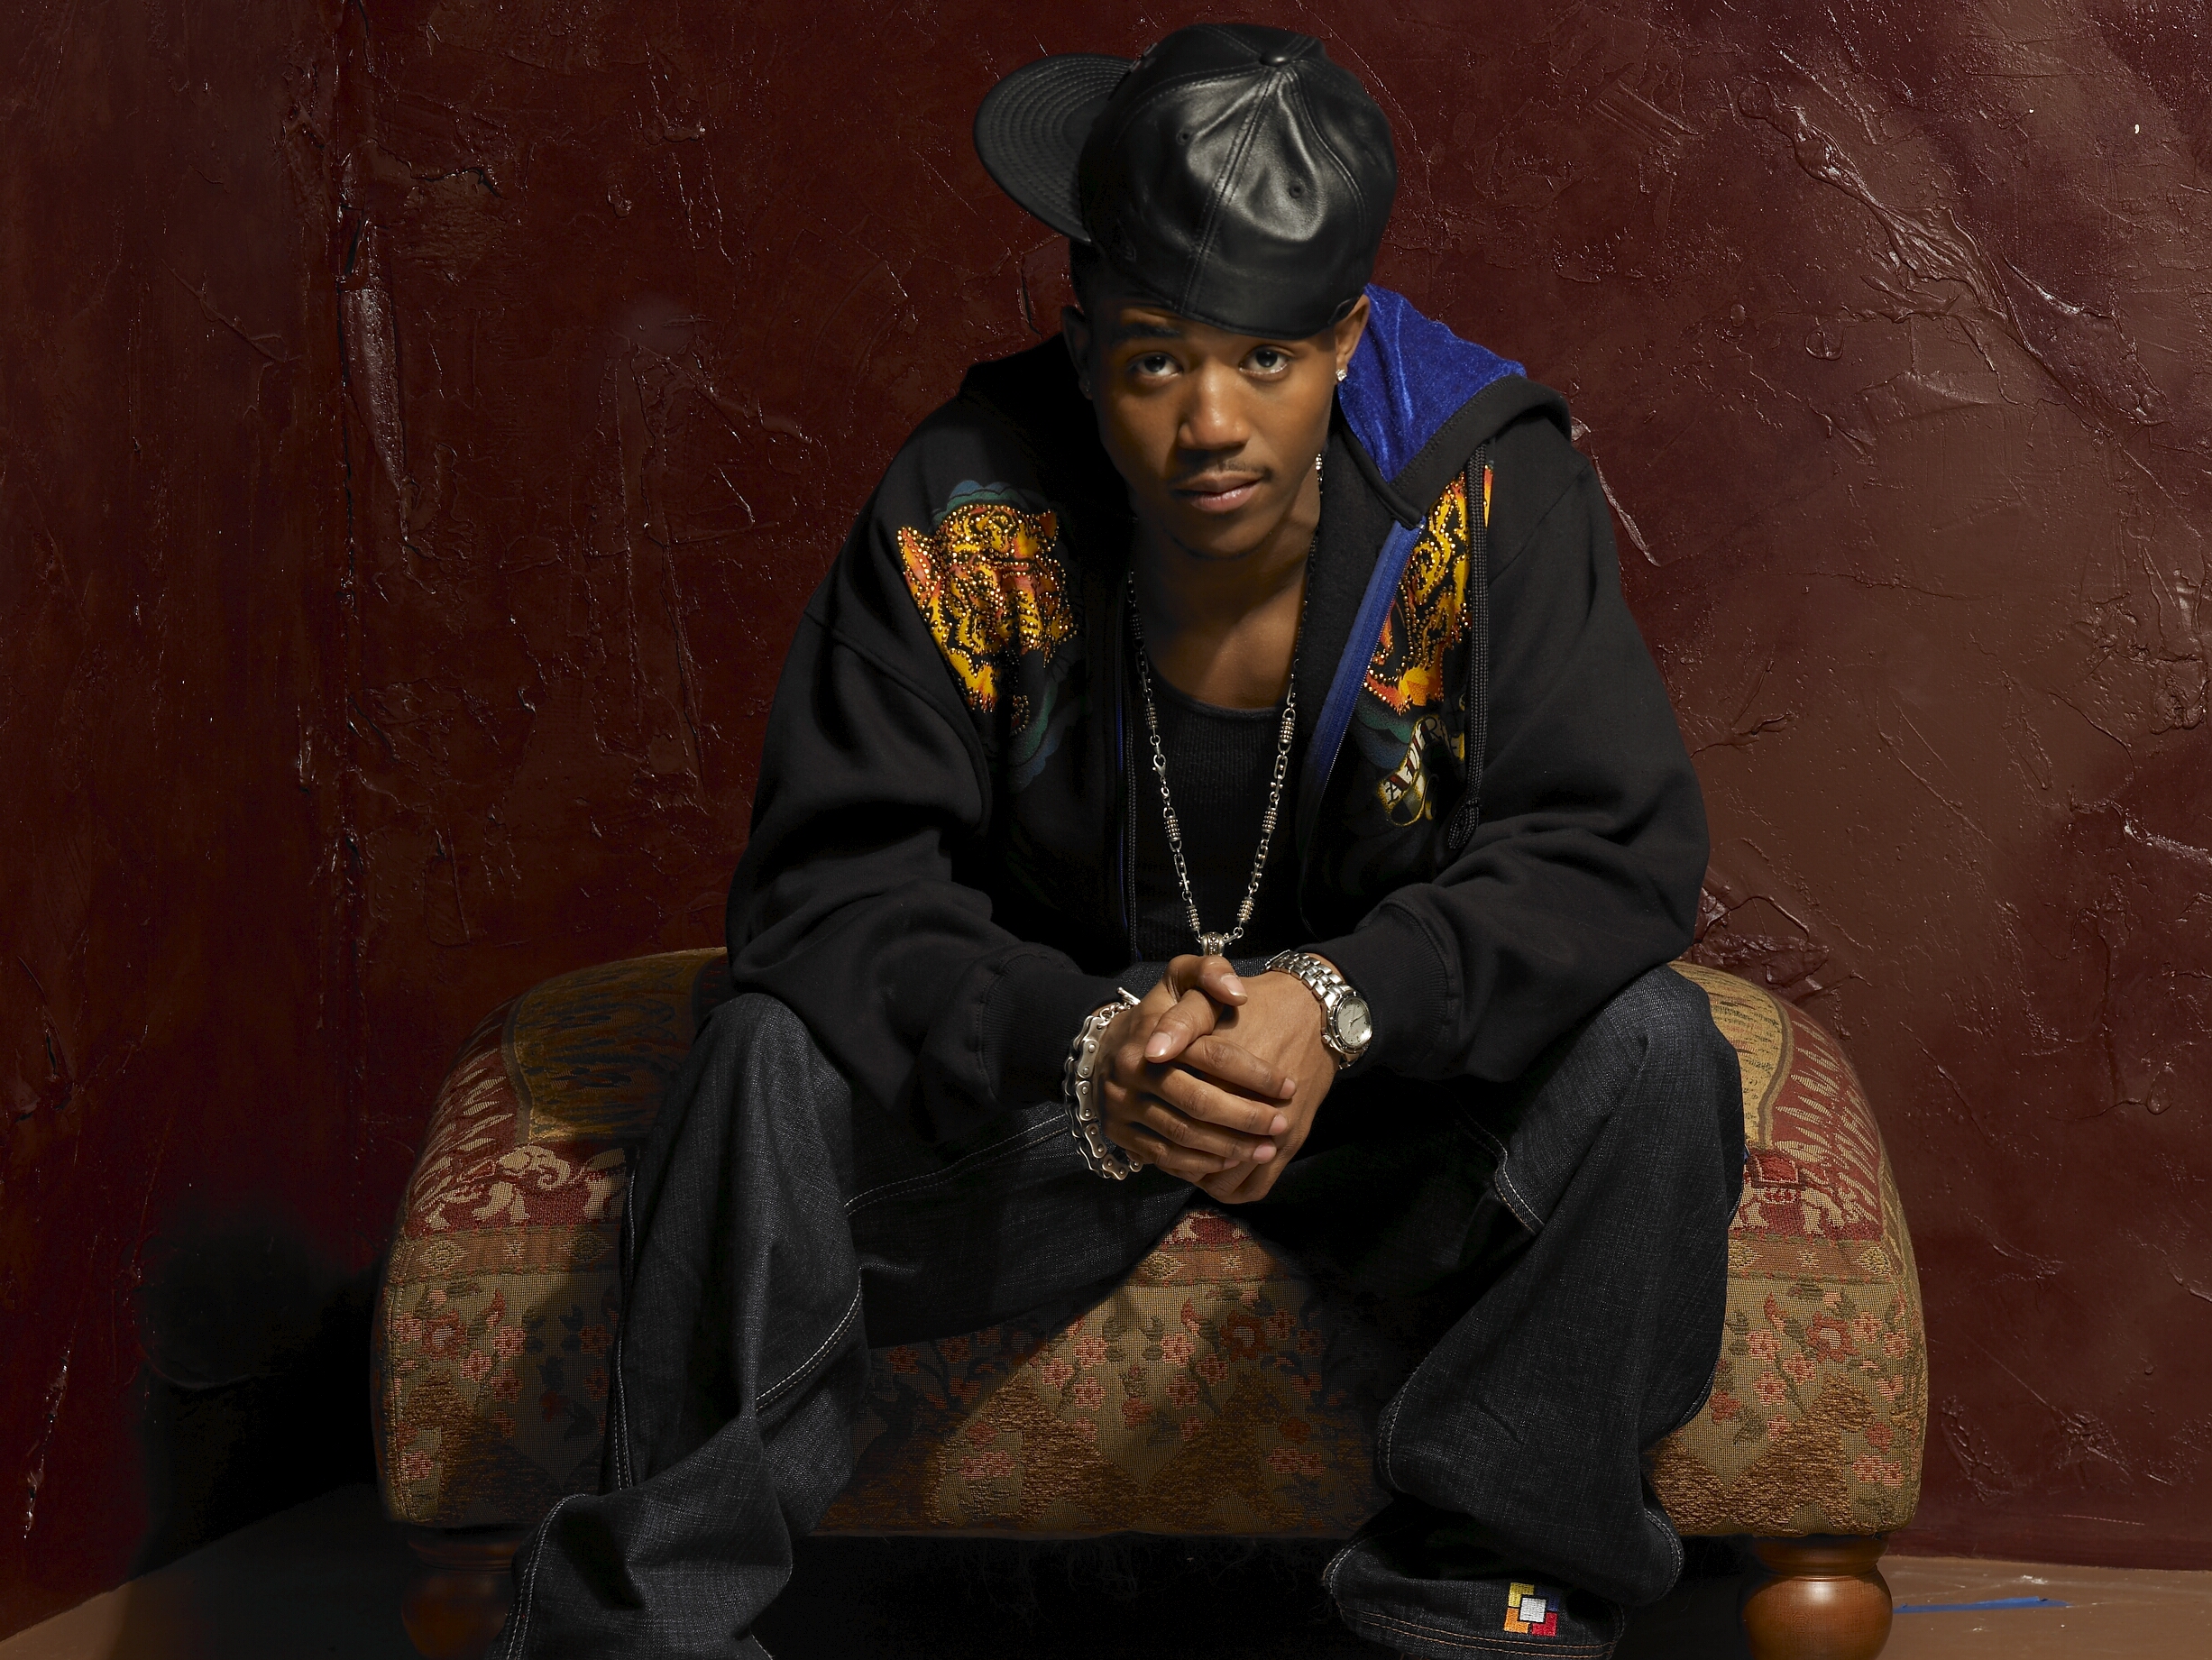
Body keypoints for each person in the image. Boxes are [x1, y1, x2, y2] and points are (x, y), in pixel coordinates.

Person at [491, 23, 1744, 1660]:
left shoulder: (1485, 489)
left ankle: (1482, 1602)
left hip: (1376, 1106)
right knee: (759, 1053)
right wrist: (1086, 1044)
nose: (1210, 421)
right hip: (1046, 1099)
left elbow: (1610, 844)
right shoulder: (966, 500)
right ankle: (644, 1630)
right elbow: (828, 888)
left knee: (1656, 1051)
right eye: (1156, 361)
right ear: (1084, 344)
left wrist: (1336, 1003)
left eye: (1267, 359)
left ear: (1347, 337)